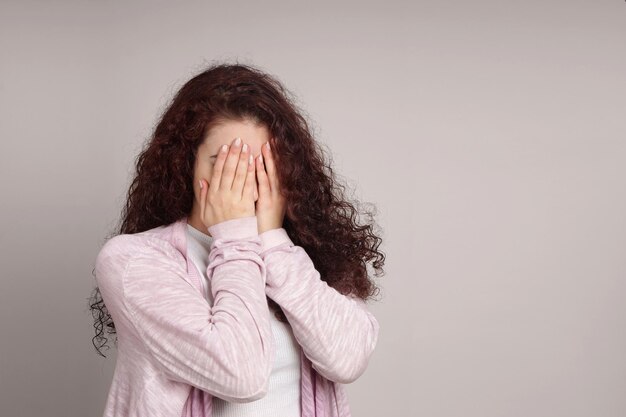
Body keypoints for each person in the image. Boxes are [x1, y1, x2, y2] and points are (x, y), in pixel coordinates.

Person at [89, 62, 385, 417]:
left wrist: (273, 240)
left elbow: (347, 360)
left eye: (260, 164)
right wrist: (234, 237)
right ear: (187, 164)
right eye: (225, 162)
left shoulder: (307, 255)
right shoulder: (135, 261)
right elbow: (241, 374)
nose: (243, 180)